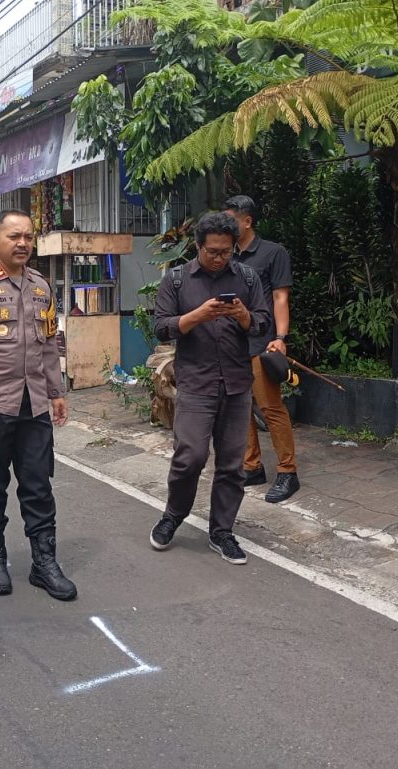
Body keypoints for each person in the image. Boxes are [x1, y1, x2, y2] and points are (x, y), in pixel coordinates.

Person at [0, 209, 77, 601]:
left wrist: (57, 392)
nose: (22, 243)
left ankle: (44, 563)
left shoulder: (41, 287)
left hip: (35, 406)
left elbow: (49, 345)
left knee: (39, 486)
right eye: (14, 236)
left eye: (28, 236)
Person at [149, 211, 270, 565]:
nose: (219, 258)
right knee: (190, 458)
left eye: (226, 252)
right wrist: (196, 316)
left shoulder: (247, 278)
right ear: (198, 246)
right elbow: (161, 327)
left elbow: (263, 323)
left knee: (232, 464)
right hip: (196, 384)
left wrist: (244, 317)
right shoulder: (176, 280)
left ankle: (222, 531)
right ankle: (173, 515)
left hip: (237, 384)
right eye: (212, 251)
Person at [224, 195, 300, 504]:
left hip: (261, 342)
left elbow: (281, 297)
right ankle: (252, 466)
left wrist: (280, 337)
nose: (226, 226)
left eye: (231, 220)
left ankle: (288, 472)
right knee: (240, 408)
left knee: (270, 408)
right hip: (234, 345)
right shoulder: (228, 256)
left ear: (247, 221)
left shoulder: (273, 253)